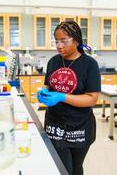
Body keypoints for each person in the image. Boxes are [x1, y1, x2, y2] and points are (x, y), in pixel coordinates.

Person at [37, 21, 101, 175]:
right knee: (63, 168)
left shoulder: (89, 64)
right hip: (55, 124)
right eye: (56, 41)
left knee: (76, 168)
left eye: (64, 41)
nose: (59, 46)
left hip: (80, 126)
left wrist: (61, 97)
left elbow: (92, 98)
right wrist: (43, 91)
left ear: (76, 41)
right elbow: (48, 84)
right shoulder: (54, 61)